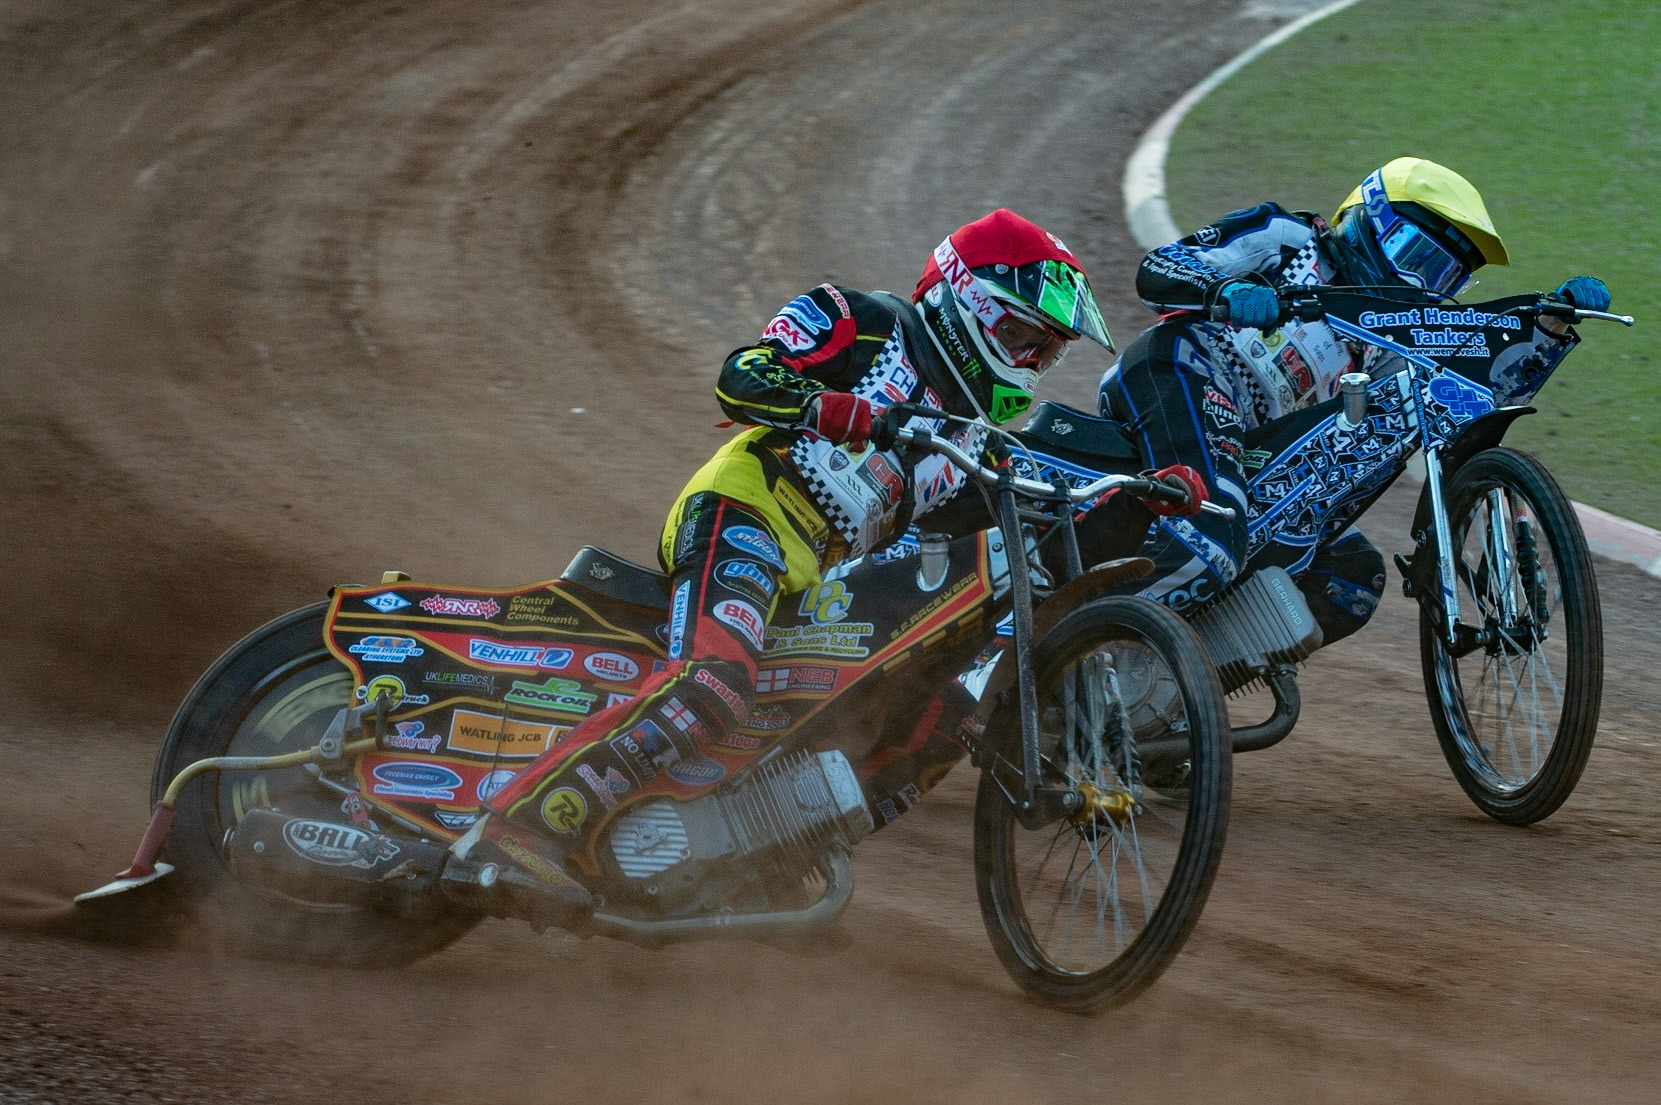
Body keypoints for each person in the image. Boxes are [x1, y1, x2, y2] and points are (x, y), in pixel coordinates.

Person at [458, 209, 1119, 919]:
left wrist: (1150, 493)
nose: (1027, 363)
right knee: (714, 684)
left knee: (916, 721)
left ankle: (747, 862)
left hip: (812, 581)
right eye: (1020, 338)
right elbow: (741, 375)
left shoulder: (973, 441)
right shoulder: (862, 321)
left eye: (1042, 353)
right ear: (970, 301)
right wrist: (821, 405)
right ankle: (514, 829)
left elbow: (1037, 498)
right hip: (741, 511)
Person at [1097, 155, 1611, 641]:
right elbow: (1160, 266)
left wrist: (1546, 326)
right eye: (1416, 255)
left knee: (1352, 579)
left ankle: (1172, 689)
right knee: (1213, 534)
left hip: (1255, 448)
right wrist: (1222, 293)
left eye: (1444, 276)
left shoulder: (1394, 336)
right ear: (1371, 216)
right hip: (1183, 372)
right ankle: (1072, 641)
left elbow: (1455, 400)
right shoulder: (1288, 237)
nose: (1420, 284)